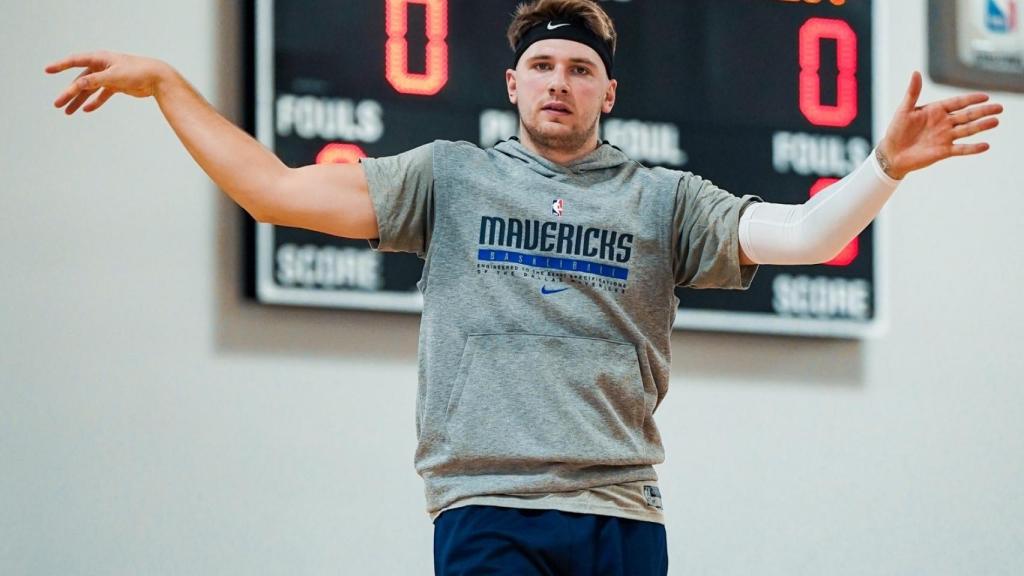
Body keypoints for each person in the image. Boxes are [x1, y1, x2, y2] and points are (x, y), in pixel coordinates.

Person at [46, 0, 1003, 573]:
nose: (560, 80)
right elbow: (275, 192)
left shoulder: (665, 198)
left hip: (622, 514)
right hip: (489, 507)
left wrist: (884, 164)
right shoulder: (448, 177)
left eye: (580, 69)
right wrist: (170, 84)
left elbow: (801, 233)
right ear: (513, 82)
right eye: (542, 64)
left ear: (607, 93)